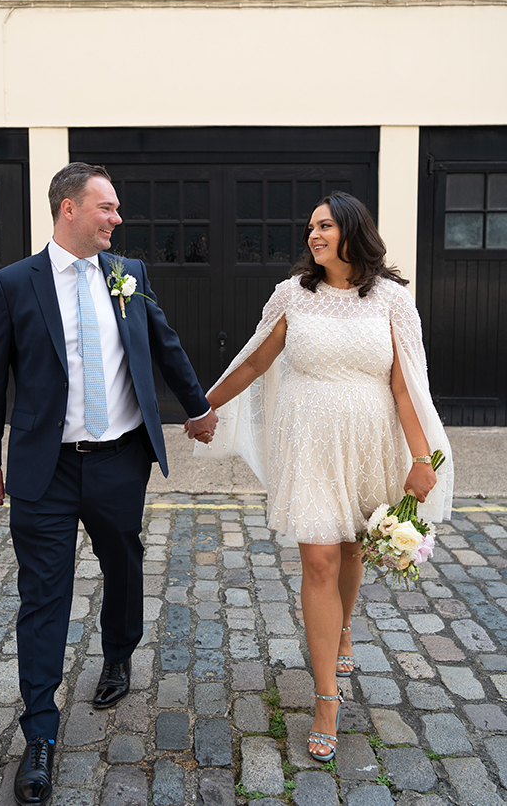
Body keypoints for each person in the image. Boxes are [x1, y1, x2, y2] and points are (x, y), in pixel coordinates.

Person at [0, 162, 217, 806]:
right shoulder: (14, 284)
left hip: (117, 460)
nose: (117, 219)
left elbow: (165, 345)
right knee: (43, 595)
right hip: (42, 468)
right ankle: (42, 735)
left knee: (124, 562)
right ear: (68, 210)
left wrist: (197, 407)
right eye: (106, 208)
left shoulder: (127, 274)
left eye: (117, 209)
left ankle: (118, 652)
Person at [195, 192, 453, 763]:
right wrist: (204, 405)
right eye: (310, 226)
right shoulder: (293, 293)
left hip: (370, 439)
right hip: (308, 439)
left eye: (325, 225)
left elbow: (407, 385)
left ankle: (342, 631)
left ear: (352, 232)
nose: (313, 235)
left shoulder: (393, 300)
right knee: (319, 558)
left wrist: (419, 457)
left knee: (353, 547)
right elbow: (258, 359)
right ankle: (326, 700)